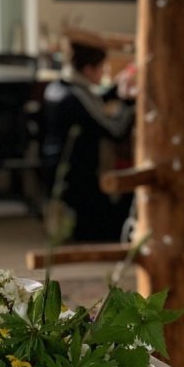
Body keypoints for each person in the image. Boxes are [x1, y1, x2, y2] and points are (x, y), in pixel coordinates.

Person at [42, 42, 136, 243]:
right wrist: (130, 103)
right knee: (118, 226)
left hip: (57, 170)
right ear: (88, 69)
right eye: (103, 68)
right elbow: (115, 130)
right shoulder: (77, 97)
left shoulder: (59, 86)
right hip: (80, 179)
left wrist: (114, 91)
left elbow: (94, 100)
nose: (105, 73)